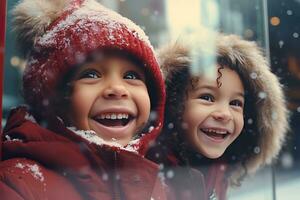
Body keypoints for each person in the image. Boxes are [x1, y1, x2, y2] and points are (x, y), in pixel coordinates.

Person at [0, 0, 167, 199]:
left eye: (131, 76)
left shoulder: (154, 181)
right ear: (52, 99)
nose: (117, 89)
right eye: (91, 74)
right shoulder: (19, 184)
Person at [147, 32, 289, 200]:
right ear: (171, 103)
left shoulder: (218, 169)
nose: (224, 114)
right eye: (207, 97)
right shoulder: (150, 176)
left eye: (236, 103)